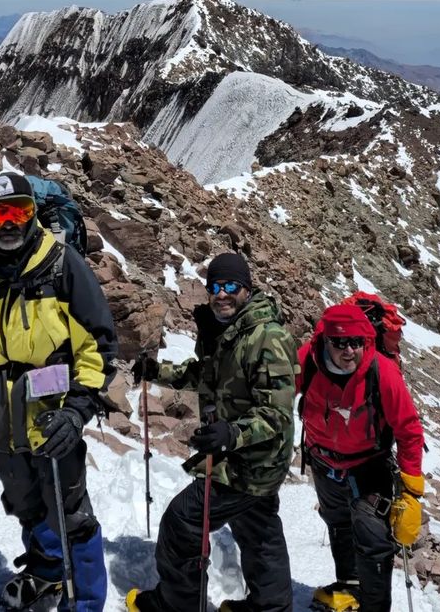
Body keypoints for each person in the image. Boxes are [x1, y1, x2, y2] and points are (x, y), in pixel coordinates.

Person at [0, 171, 117, 612]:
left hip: (53, 421)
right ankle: (47, 572)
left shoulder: (62, 265)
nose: (9, 223)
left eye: (20, 212)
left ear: (33, 216)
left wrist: (77, 411)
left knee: (72, 517)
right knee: (27, 507)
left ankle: (84, 604)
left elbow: (97, 347)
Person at [128, 253, 298, 612]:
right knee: (258, 528)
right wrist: (157, 371)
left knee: (182, 521)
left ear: (246, 289)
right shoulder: (227, 331)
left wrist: (231, 434)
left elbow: (277, 414)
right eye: (215, 288)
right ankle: (271, 607)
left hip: (251, 459)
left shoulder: (267, 337)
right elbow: (204, 375)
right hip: (251, 456)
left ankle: (177, 604)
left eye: (230, 287)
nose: (221, 295)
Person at [298, 303, 425, 612]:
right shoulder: (307, 361)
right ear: (326, 340)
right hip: (323, 460)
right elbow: (274, 389)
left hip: (369, 464)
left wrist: (411, 494)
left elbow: (409, 429)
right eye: (340, 342)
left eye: (356, 342)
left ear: (366, 341)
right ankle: (350, 587)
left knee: (373, 538)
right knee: (338, 523)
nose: (349, 350)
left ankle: (374, 606)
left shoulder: (382, 372)